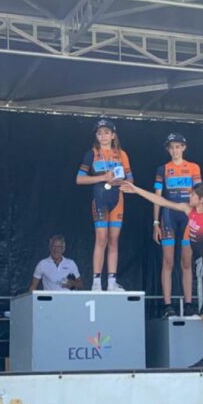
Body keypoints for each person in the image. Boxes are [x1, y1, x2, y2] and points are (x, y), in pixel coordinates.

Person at [122, 180, 203, 369]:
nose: (189, 196)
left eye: (192, 195)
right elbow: (163, 201)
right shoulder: (188, 210)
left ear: (201, 200)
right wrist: (136, 189)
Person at [76, 117, 133, 291]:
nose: (103, 136)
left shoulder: (122, 154)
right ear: (96, 136)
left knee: (114, 240)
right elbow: (79, 179)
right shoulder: (92, 153)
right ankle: (96, 282)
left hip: (117, 199)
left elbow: (131, 180)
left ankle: (112, 282)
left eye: (107, 132)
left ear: (113, 135)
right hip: (99, 198)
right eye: (100, 133)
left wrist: (120, 182)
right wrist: (103, 177)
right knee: (101, 239)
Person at [153, 133, 202, 318]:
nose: (175, 150)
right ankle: (167, 305)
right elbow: (157, 197)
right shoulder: (163, 169)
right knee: (168, 262)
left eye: (178, 146)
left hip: (189, 217)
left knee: (186, 262)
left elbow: (200, 195)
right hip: (168, 216)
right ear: (168, 149)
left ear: (184, 148)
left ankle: (188, 304)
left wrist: (200, 219)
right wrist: (155, 223)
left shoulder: (194, 167)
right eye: (172, 147)